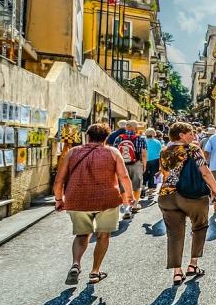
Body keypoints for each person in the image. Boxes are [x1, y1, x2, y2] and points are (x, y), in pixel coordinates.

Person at [53, 123, 133, 285]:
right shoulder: (113, 152)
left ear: (87, 136)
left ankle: (76, 264)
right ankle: (95, 272)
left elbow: (59, 180)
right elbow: (124, 177)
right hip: (107, 199)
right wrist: (129, 197)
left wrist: (59, 199)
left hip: (77, 198)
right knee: (103, 235)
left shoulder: (73, 152)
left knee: (82, 235)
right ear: (106, 138)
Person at [158, 122, 216, 286]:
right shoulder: (193, 149)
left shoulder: (164, 151)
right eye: (190, 133)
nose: (193, 136)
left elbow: (165, 172)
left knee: (174, 234)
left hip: (167, 195)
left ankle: (177, 272)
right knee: (199, 226)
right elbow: (205, 172)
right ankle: (193, 264)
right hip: (192, 195)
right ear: (181, 135)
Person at [113, 120, 148, 217]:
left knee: (123, 186)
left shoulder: (119, 138)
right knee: (136, 185)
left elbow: (115, 152)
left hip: (122, 164)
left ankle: (126, 208)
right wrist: (144, 165)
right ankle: (134, 205)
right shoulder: (141, 138)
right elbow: (144, 154)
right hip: (136, 163)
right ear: (135, 128)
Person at [143, 128, 164, 196]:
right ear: (154, 134)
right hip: (155, 160)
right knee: (153, 174)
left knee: (144, 174)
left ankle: (143, 187)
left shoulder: (143, 141)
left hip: (145, 160)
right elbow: (160, 151)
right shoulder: (157, 142)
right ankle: (151, 190)